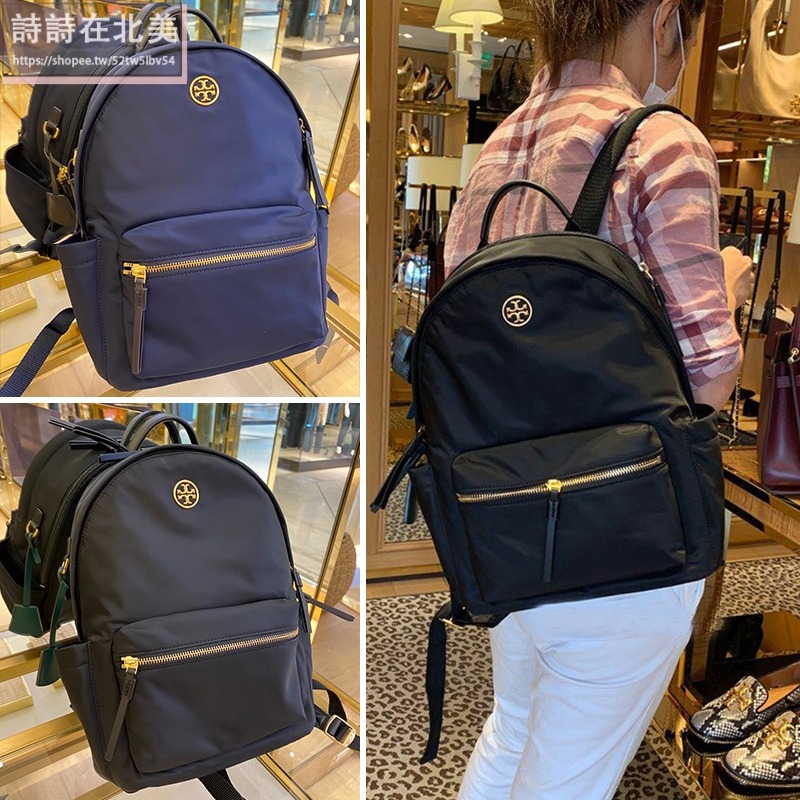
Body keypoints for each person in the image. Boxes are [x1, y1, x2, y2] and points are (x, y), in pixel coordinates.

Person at [443, 1, 756, 798]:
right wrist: (726, 285)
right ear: (663, 19)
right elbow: (709, 375)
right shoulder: (658, 141)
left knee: (514, 727)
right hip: (626, 533)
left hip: (509, 522)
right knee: (567, 778)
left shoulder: (499, 149)